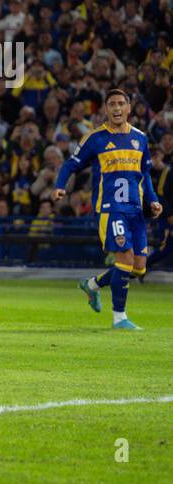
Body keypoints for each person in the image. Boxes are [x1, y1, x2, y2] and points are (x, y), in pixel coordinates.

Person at [54, 88, 162, 330]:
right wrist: (61, 185)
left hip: (136, 210)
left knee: (138, 267)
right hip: (110, 208)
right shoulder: (96, 138)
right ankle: (119, 318)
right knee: (124, 258)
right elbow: (71, 163)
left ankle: (92, 285)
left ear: (128, 108)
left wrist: (152, 201)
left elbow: (144, 174)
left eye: (121, 103)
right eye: (111, 104)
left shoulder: (140, 138)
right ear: (105, 109)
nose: (116, 108)